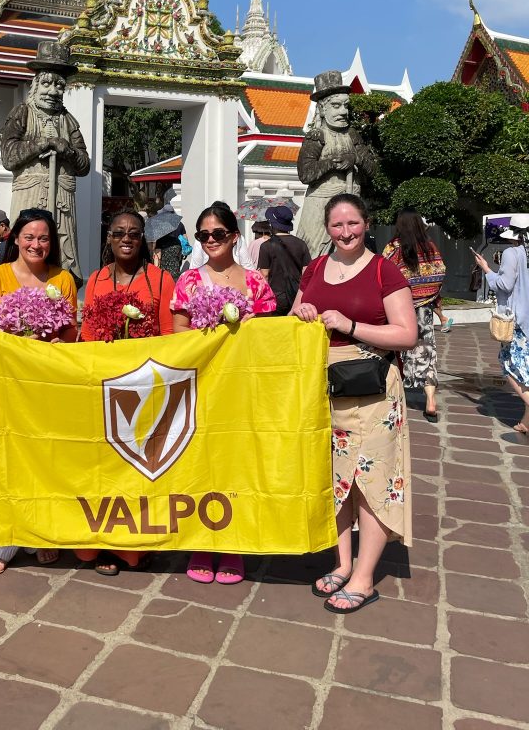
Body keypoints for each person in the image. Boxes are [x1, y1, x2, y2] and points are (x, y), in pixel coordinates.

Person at [292, 193, 416, 613]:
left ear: (367, 224)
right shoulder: (313, 269)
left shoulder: (385, 271)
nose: (345, 232)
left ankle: (365, 579)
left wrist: (351, 325)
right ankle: (343, 564)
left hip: (374, 389)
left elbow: (406, 334)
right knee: (336, 481)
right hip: (325, 388)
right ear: (327, 229)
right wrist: (305, 311)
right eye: (337, 225)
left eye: (353, 224)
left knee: (372, 481)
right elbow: (295, 318)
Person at [172, 201, 276, 584]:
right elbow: (177, 331)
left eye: (218, 233)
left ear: (234, 236)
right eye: (204, 235)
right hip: (202, 384)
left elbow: (268, 334)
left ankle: (233, 543)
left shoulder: (255, 283)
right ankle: (202, 539)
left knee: (238, 461)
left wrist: (246, 329)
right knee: (201, 460)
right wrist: (211, 334)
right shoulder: (189, 280)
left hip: (243, 386)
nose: (211, 240)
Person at [0, 207, 79, 573]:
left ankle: (38, 536)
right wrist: (16, 337)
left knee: (42, 459)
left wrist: (44, 346)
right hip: (4, 384)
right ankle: (0, 541)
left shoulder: (62, 280)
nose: (36, 244)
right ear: (15, 237)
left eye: (44, 238)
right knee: (4, 457)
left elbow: (69, 336)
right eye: (29, 237)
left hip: (45, 385)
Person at [76, 209, 175, 575]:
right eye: (119, 232)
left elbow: (169, 337)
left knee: (138, 469)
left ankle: (134, 546)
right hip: (105, 388)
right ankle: (101, 542)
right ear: (109, 238)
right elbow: (86, 336)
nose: (126, 238)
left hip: (146, 389)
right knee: (104, 468)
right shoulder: (97, 279)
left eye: (134, 233)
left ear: (143, 238)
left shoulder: (161, 280)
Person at [0, 41, 90, 283]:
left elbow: (84, 165)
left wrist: (67, 150)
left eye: (59, 86)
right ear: (36, 84)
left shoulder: (68, 121)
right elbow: (8, 157)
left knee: (63, 254)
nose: (52, 91)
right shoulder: (22, 113)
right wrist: (40, 143)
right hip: (31, 194)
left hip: (62, 200)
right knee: (27, 247)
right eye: (47, 84)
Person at [296, 71, 376, 258]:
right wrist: (330, 163)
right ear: (323, 109)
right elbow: (305, 174)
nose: (343, 112)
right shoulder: (316, 136)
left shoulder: (353, 135)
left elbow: (372, 170)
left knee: (354, 253)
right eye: (336, 106)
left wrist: (355, 159)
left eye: (345, 106)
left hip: (351, 201)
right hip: (321, 204)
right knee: (315, 254)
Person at [382, 209, 447, 422]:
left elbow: (382, 274)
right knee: (427, 351)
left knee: (396, 350)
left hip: (399, 308)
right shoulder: (429, 247)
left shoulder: (393, 248)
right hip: (424, 310)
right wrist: (426, 295)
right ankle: (430, 400)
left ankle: (395, 396)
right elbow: (439, 271)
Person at [472, 214, 529, 435]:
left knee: (510, 365)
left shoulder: (511, 253)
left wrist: (486, 269)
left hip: (516, 319)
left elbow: (504, 285)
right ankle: (525, 422)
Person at [258, 206, 311, 314]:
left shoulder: (266, 246)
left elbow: (264, 275)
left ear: (272, 224)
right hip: (296, 296)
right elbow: (307, 272)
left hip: (276, 296)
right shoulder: (301, 244)